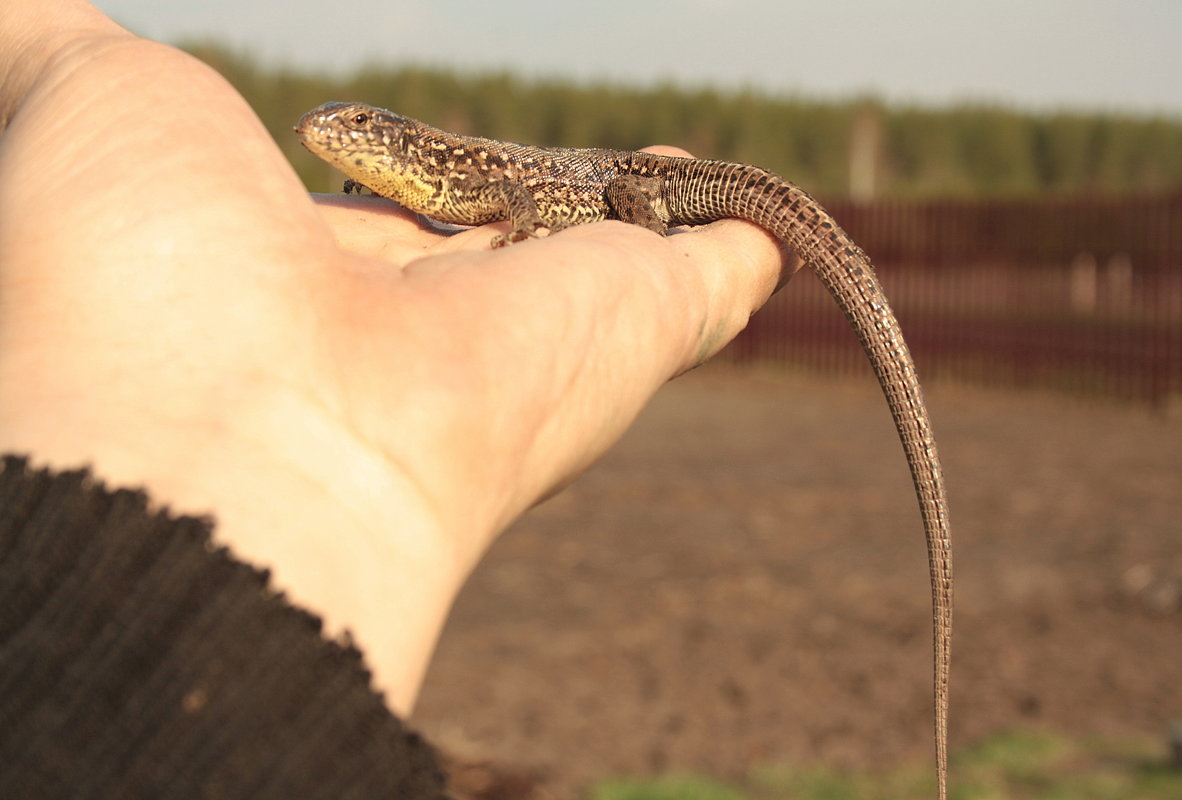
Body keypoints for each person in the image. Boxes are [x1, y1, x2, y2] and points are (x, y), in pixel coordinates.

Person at [0, 1, 791, 795]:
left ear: (389, 139)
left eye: (347, 126)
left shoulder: (458, 170)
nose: (323, 129)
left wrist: (534, 230)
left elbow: (511, 196)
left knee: (642, 202)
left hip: (647, 183)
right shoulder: (417, 179)